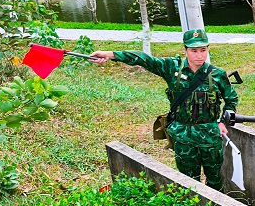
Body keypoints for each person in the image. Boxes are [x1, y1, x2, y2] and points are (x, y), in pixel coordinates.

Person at [90, 29, 238, 191]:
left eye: (203, 50)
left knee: (215, 179)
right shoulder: (172, 68)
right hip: (183, 137)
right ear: (185, 50)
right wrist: (110, 54)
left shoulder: (217, 74)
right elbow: (144, 59)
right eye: (194, 51)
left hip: (210, 136)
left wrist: (223, 122)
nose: (199, 56)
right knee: (188, 182)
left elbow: (231, 98)